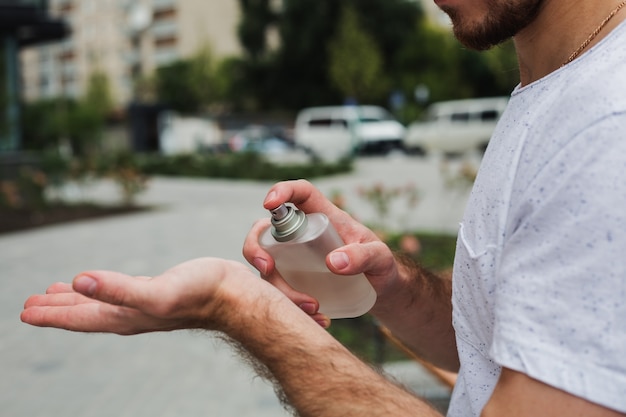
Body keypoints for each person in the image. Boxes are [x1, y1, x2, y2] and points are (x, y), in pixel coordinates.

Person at [21, 0, 626, 415]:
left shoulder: (606, 122)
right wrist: (391, 288)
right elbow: (492, 342)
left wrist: (241, 309)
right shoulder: (550, 86)